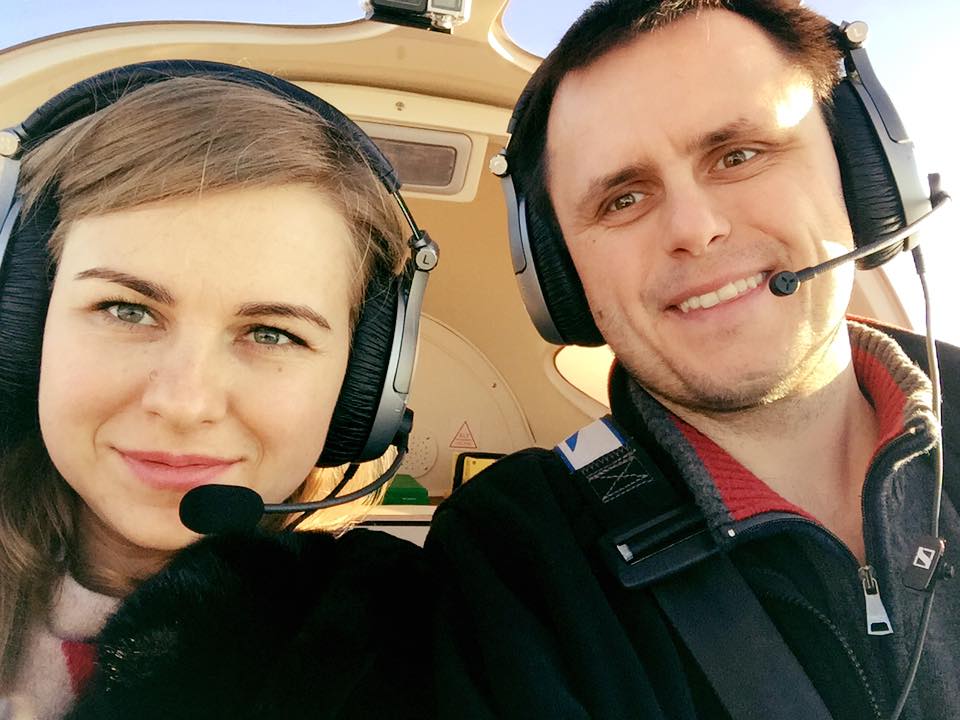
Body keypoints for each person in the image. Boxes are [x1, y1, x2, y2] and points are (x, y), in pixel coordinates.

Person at [425, 1, 958, 719]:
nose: (695, 229)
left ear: (865, 176)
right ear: (562, 279)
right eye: (623, 199)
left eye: (738, 156)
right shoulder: (514, 560)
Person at [0, 61, 437, 719]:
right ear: (24, 327)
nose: (184, 402)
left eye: (271, 333)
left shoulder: (393, 648)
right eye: (126, 310)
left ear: (361, 388)